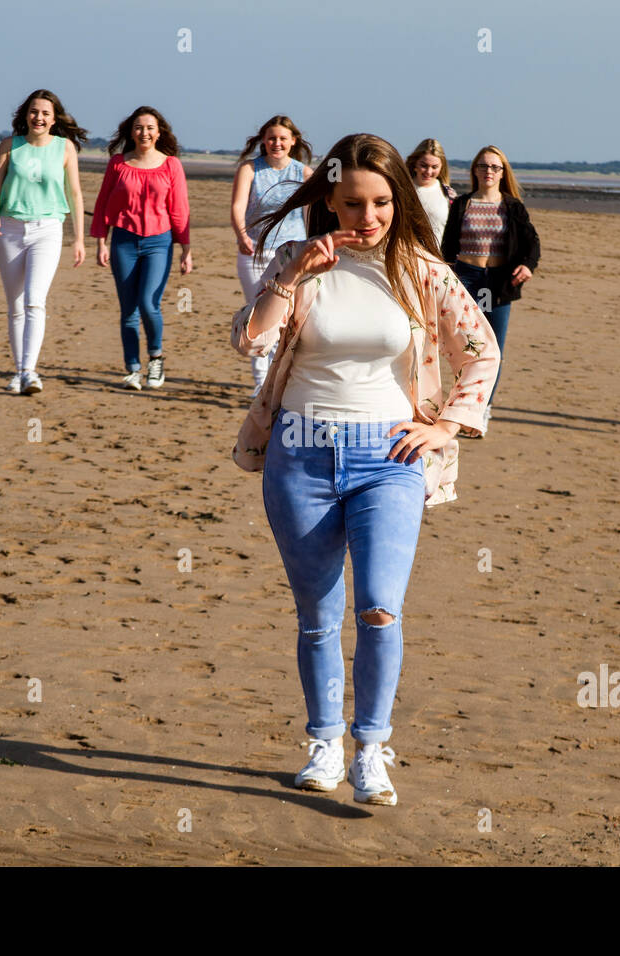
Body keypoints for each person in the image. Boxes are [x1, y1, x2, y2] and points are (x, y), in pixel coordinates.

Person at [229, 133, 500, 807]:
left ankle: (371, 749)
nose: (368, 217)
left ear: (398, 201)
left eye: (381, 202)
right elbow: (249, 340)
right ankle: (324, 742)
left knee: (380, 608)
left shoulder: (422, 270)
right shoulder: (298, 260)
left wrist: (443, 427)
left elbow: (481, 353)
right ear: (329, 199)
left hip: (390, 459)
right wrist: (292, 277)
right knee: (318, 616)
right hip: (299, 454)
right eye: (353, 203)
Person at [0, 89, 88, 395]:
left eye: (45, 113)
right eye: (33, 111)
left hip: (48, 229)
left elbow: (76, 194)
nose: (38, 117)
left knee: (34, 301)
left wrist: (79, 238)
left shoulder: (65, 148)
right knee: (15, 305)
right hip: (10, 230)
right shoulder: (9, 146)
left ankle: (30, 372)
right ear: (25, 115)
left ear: (54, 118)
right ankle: (19, 371)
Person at [92, 105, 192, 390]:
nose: (144, 132)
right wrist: (101, 241)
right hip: (123, 240)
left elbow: (180, 209)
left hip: (159, 242)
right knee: (128, 310)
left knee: (149, 304)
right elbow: (102, 204)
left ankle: (156, 358)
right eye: (139, 127)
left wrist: (186, 250)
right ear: (131, 132)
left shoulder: (171, 164)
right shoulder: (118, 164)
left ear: (159, 132)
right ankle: (133, 369)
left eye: (149, 127)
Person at [441, 145, 539, 427]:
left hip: (498, 282)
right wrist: (445, 275)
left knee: (493, 349)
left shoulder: (512, 207)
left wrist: (527, 266)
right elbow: (448, 245)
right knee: (463, 347)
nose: (488, 172)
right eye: (483, 166)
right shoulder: (463, 204)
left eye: (495, 167)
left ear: (503, 172)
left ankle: (483, 410)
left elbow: (532, 243)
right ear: (474, 170)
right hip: (466, 278)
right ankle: (460, 406)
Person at [229, 116, 313, 395]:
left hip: (291, 254)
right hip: (255, 251)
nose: (276, 143)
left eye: (282, 138)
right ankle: (260, 382)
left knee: (287, 316)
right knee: (258, 313)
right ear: (263, 141)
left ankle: (281, 377)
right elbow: (238, 206)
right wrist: (241, 235)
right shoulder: (250, 169)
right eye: (271, 138)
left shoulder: (304, 173)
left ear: (293, 141)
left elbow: (311, 216)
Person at [405, 138, 456, 248]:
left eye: (434, 167)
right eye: (424, 165)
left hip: (438, 260)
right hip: (406, 258)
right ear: (414, 164)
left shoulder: (449, 194)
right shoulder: (402, 191)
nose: (428, 172)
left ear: (441, 167)